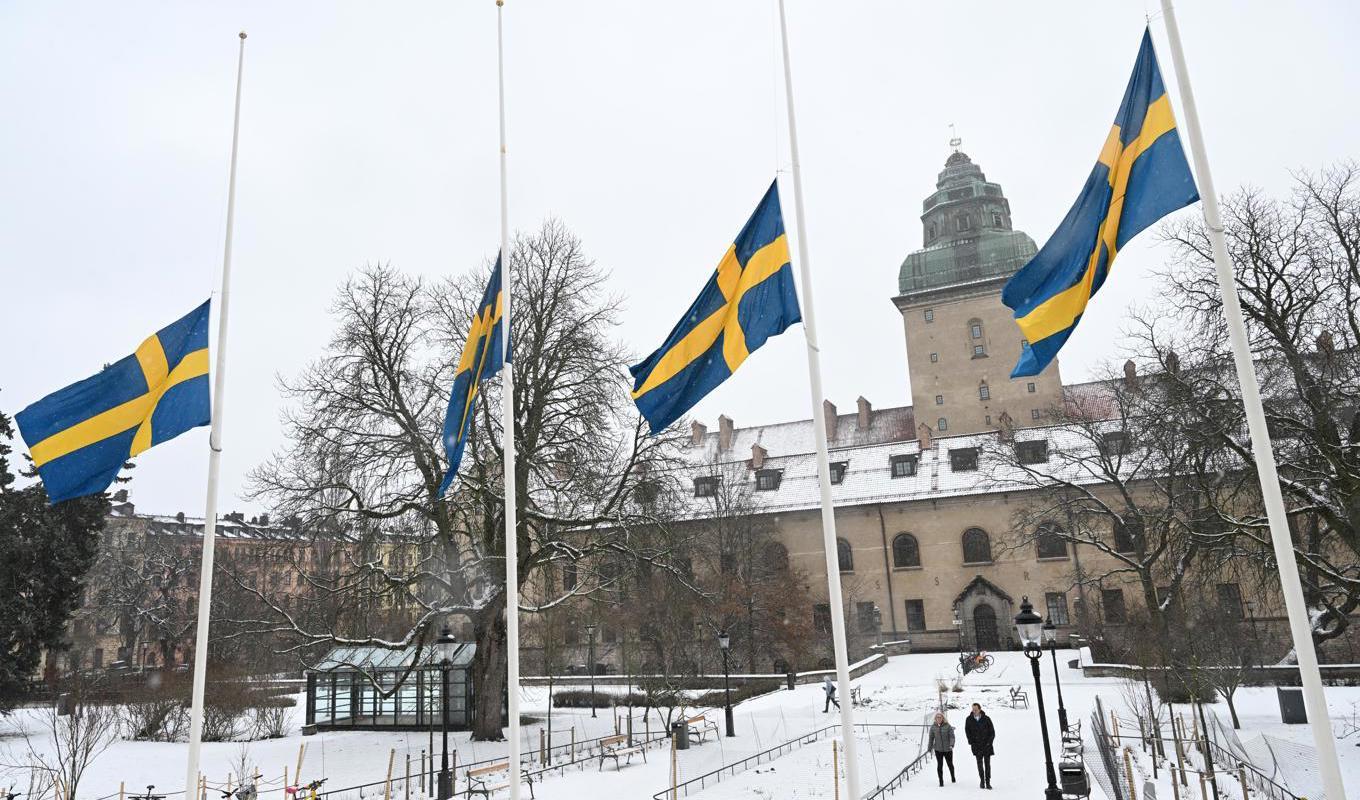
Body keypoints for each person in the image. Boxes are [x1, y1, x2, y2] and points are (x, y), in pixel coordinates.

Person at [965, 702, 995, 789]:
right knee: (979, 764)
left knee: (987, 764)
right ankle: (982, 781)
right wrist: (971, 742)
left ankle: (988, 782)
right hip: (976, 746)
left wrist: (989, 742)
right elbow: (967, 732)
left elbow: (992, 732)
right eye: (973, 709)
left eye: (976, 709)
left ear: (980, 709)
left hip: (987, 745)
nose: (974, 711)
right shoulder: (969, 719)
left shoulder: (987, 719)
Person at [929, 711, 956, 786]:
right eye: (937, 717)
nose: (939, 718)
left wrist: (951, 744)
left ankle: (953, 777)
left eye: (940, 717)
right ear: (935, 718)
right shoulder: (933, 727)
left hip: (948, 749)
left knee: (950, 764)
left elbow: (952, 736)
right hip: (938, 749)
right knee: (940, 765)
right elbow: (931, 738)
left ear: (943, 718)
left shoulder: (948, 726)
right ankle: (941, 781)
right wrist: (930, 748)